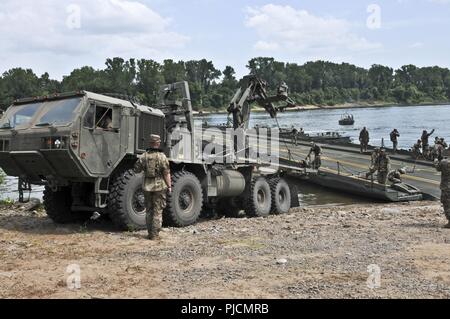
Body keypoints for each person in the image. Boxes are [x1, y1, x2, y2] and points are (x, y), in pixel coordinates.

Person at [134, 135, 172, 240]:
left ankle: (149, 233)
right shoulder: (162, 156)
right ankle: (155, 235)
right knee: (158, 211)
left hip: (146, 186)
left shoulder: (143, 156)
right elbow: (166, 173)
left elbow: (136, 170)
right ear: (158, 143)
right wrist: (169, 186)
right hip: (159, 187)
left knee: (149, 210)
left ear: (150, 143)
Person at [434, 157, 450, 229]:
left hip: (447, 187)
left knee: (447, 204)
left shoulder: (444, 162)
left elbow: (437, 168)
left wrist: (436, 161)